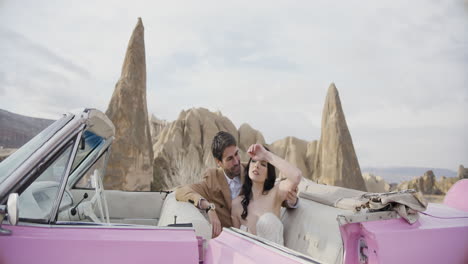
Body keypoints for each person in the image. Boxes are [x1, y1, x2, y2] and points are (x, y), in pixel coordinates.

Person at [175, 131, 298, 238]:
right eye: (229, 159)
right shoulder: (212, 181)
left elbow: (270, 189)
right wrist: (209, 207)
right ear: (219, 162)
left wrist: (290, 201)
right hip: (232, 241)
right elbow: (181, 191)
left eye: (237, 154)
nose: (236, 161)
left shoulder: (251, 170)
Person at [231, 144, 302, 245]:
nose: (257, 165)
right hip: (247, 259)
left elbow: (296, 176)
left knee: (267, 220)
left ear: (268, 175)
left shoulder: (276, 193)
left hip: (274, 258)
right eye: (254, 161)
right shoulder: (236, 205)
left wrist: (266, 155)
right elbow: (235, 244)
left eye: (263, 164)